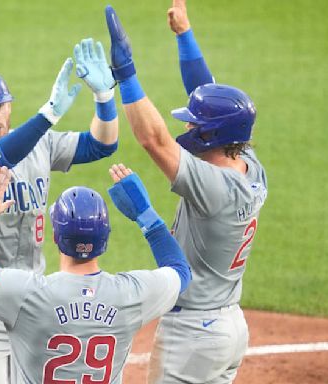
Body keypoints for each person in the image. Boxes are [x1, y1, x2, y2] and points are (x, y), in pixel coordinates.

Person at [104, 2, 268, 383]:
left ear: (210, 134)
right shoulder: (248, 165)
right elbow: (205, 93)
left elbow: (154, 139)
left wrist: (125, 75)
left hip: (193, 335)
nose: (190, 126)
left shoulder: (213, 187)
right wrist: (184, 34)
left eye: (195, 123)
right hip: (227, 326)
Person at [0, 39, 119, 383]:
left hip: (30, 301)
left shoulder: (42, 145)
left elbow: (102, 144)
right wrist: (47, 115)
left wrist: (104, 98)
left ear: (9, 106)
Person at [0, 164, 191, 384]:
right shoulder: (130, 294)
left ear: (56, 236)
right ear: (105, 239)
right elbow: (180, 271)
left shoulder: (25, 294)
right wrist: (145, 214)